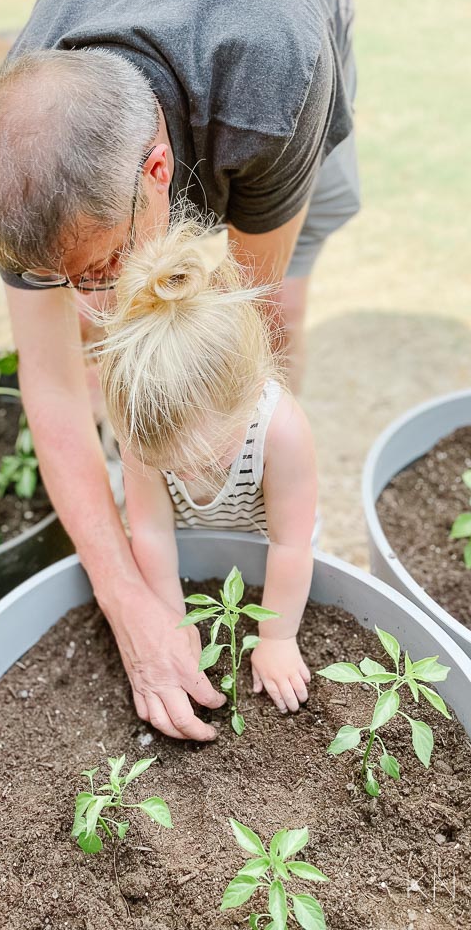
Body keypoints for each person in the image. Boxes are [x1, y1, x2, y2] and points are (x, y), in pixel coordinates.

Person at [0, 0, 358, 741]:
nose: (93, 304)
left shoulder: (272, 79)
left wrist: (246, 475)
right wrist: (131, 599)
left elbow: (236, 322)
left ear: (157, 167)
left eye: (101, 267)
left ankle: (264, 483)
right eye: (62, 278)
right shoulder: (23, 179)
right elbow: (57, 388)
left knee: (274, 317)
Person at [98, 219, 316, 717]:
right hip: (194, 544)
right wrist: (173, 622)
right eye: (169, 463)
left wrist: (277, 636)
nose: (185, 470)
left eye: (204, 458)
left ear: (247, 394)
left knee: (286, 572)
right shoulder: (145, 428)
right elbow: (152, 533)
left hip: (269, 552)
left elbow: (291, 544)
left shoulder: (280, 430)